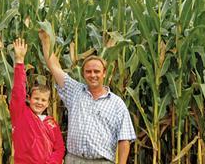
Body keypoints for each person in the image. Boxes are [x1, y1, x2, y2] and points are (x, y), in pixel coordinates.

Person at [39, 30, 136, 164]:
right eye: (88, 72)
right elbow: (54, 67)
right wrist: (45, 41)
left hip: (102, 161)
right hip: (73, 159)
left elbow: (124, 140)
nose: (93, 75)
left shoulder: (116, 103)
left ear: (104, 73)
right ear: (83, 74)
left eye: (97, 71)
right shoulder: (74, 91)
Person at [9, 38, 65, 164]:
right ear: (29, 99)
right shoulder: (21, 114)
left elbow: (59, 148)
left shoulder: (52, 123)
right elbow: (18, 91)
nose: (39, 102)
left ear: (48, 103)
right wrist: (19, 61)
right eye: (36, 98)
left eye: (43, 100)